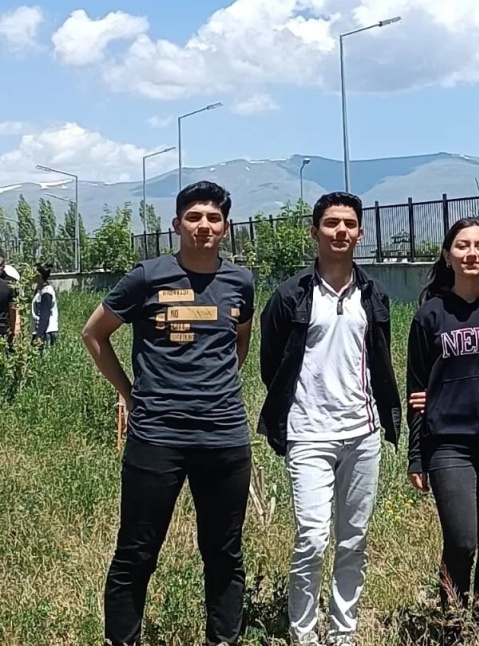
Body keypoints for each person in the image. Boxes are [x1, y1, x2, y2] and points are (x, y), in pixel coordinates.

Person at [81, 181, 255, 646]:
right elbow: (94, 335)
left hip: (224, 439)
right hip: (156, 438)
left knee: (224, 554)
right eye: (194, 217)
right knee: (137, 552)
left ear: (226, 227)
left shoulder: (241, 282)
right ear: (176, 225)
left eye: (213, 218)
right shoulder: (147, 277)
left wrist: (211, 389)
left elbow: (239, 341)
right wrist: (129, 393)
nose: (204, 226)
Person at [257, 191, 402, 646]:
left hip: (363, 434)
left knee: (353, 539)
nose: (341, 231)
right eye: (331, 223)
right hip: (308, 434)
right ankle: (303, 633)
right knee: (313, 537)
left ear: (360, 232)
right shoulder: (290, 295)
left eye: (349, 224)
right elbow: (270, 364)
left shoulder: (373, 294)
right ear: (314, 231)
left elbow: (379, 358)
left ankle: (343, 631)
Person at [404, 218, 479, 616]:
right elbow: (416, 394)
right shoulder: (429, 316)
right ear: (447, 255)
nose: (471, 253)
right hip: (448, 441)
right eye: (462, 246)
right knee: (463, 539)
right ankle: (452, 619)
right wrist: (416, 455)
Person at [31, 262, 59, 348]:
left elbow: (45, 315)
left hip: (46, 332)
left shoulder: (46, 292)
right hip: (41, 331)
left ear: (40, 275)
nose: (31, 275)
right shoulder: (39, 289)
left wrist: (39, 336)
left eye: (33, 273)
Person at [0, 253, 19, 351]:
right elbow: (13, 311)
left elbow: (14, 310)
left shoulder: (10, 283)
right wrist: (13, 330)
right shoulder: (9, 285)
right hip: (4, 328)